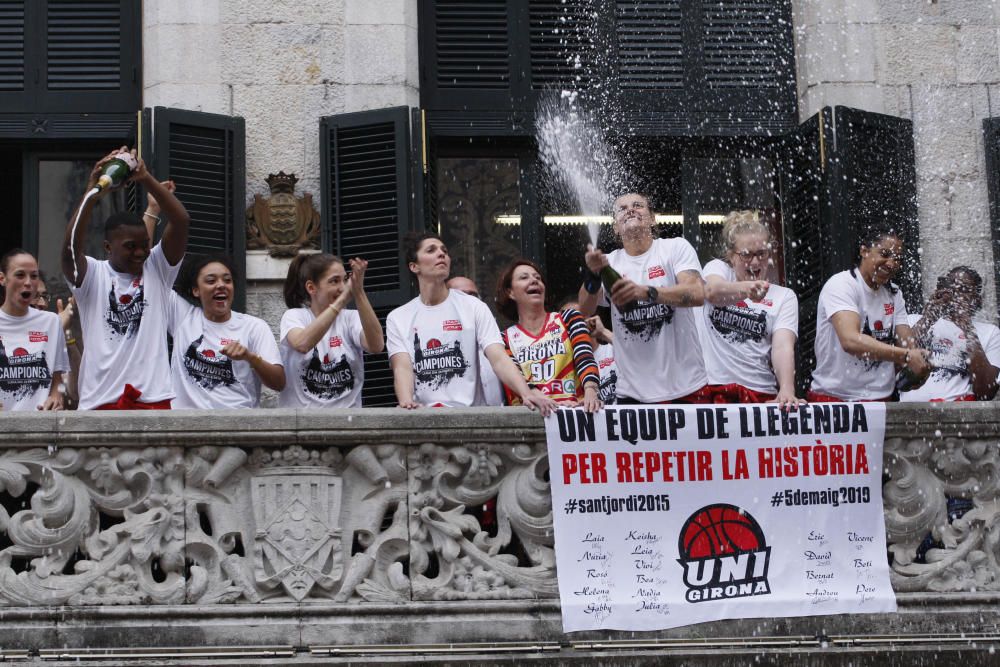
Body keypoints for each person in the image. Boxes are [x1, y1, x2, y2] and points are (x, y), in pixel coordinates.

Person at [61, 147, 190, 410]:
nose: (141, 252)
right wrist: (91, 194)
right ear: (108, 247)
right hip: (100, 402)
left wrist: (145, 178)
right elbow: (70, 249)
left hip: (153, 400)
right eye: (131, 246)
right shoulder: (93, 275)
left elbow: (181, 220)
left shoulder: (157, 269)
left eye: (145, 244)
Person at [386, 233, 557, 414]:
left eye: (444, 250)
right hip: (426, 419)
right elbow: (402, 368)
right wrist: (406, 403)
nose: (441, 254)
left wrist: (526, 392)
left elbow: (498, 358)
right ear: (414, 266)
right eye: (431, 250)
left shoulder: (474, 307)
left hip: (470, 420)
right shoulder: (398, 317)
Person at [578, 192, 708, 403]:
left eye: (638, 205)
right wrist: (592, 275)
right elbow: (584, 310)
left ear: (652, 218)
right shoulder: (609, 262)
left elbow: (696, 293)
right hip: (631, 393)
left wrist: (646, 292)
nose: (630, 210)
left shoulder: (674, 247)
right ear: (615, 228)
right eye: (622, 209)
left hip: (686, 386)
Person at [809, 227, 931, 402]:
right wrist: (906, 356)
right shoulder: (842, 285)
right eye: (884, 254)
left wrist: (919, 365)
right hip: (835, 399)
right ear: (864, 251)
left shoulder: (894, 293)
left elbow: (907, 345)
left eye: (897, 258)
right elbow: (850, 341)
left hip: (882, 400)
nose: (891, 263)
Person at [700, 211, 801, 407]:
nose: (755, 262)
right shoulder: (718, 269)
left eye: (761, 254)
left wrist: (787, 389)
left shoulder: (784, 296)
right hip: (714, 388)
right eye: (746, 255)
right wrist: (747, 289)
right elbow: (712, 291)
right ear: (731, 256)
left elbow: (782, 347)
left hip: (760, 391)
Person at [166, 256, 285, 409]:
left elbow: (279, 383)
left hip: (238, 425)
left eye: (227, 280)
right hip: (186, 426)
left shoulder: (254, 327)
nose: (221, 285)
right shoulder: (181, 317)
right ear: (196, 290)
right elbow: (151, 273)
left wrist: (250, 357)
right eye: (211, 281)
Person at [278, 253, 383, 408]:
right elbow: (302, 343)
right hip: (303, 425)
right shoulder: (294, 316)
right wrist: (342, 301)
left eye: (345, 280)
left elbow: (376, 346)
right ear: (311, 288)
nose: (343, 287)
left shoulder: (350, 318)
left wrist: (358, 291)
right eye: (334, 281)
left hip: (347, 423)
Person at [495, 259, 601, 412]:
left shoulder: (569, 318)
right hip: (531, 420)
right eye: (524, 277)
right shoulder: (503, 339)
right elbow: (514, 379)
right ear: (510, 292)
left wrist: (591, 391)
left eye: (538, 278)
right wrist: (544, 399)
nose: (534, 281)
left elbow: (585, 356)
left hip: (574, 415)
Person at [900, 267, 1000, 402]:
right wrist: (928, 317)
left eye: (963, 289)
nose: (955, 294)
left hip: (958, 415)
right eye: (950, 287)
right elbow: (898, 359)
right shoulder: (913, 320)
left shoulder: (989, 332)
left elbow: (986, 392)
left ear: (976, 298)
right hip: (910, 413)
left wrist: (968, 331)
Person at [0, 249, 68, 410]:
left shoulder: (51, 322)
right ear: (2, 278)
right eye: (20, 275)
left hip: (40, 427)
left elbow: (60, 380)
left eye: (34, 276)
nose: (28, 282)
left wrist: (56, 398)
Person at [447, 275, 504, 406]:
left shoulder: (502, 340)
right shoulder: (441, 348)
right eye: (460, 295)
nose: (468, 300)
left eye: (472, 295)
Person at [32, 273, 82, 406]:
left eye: (44, 296)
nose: (42, 303)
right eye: (35, 296)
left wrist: (65, 336)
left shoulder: (54, 328)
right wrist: (54, 332)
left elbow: (75, 392)